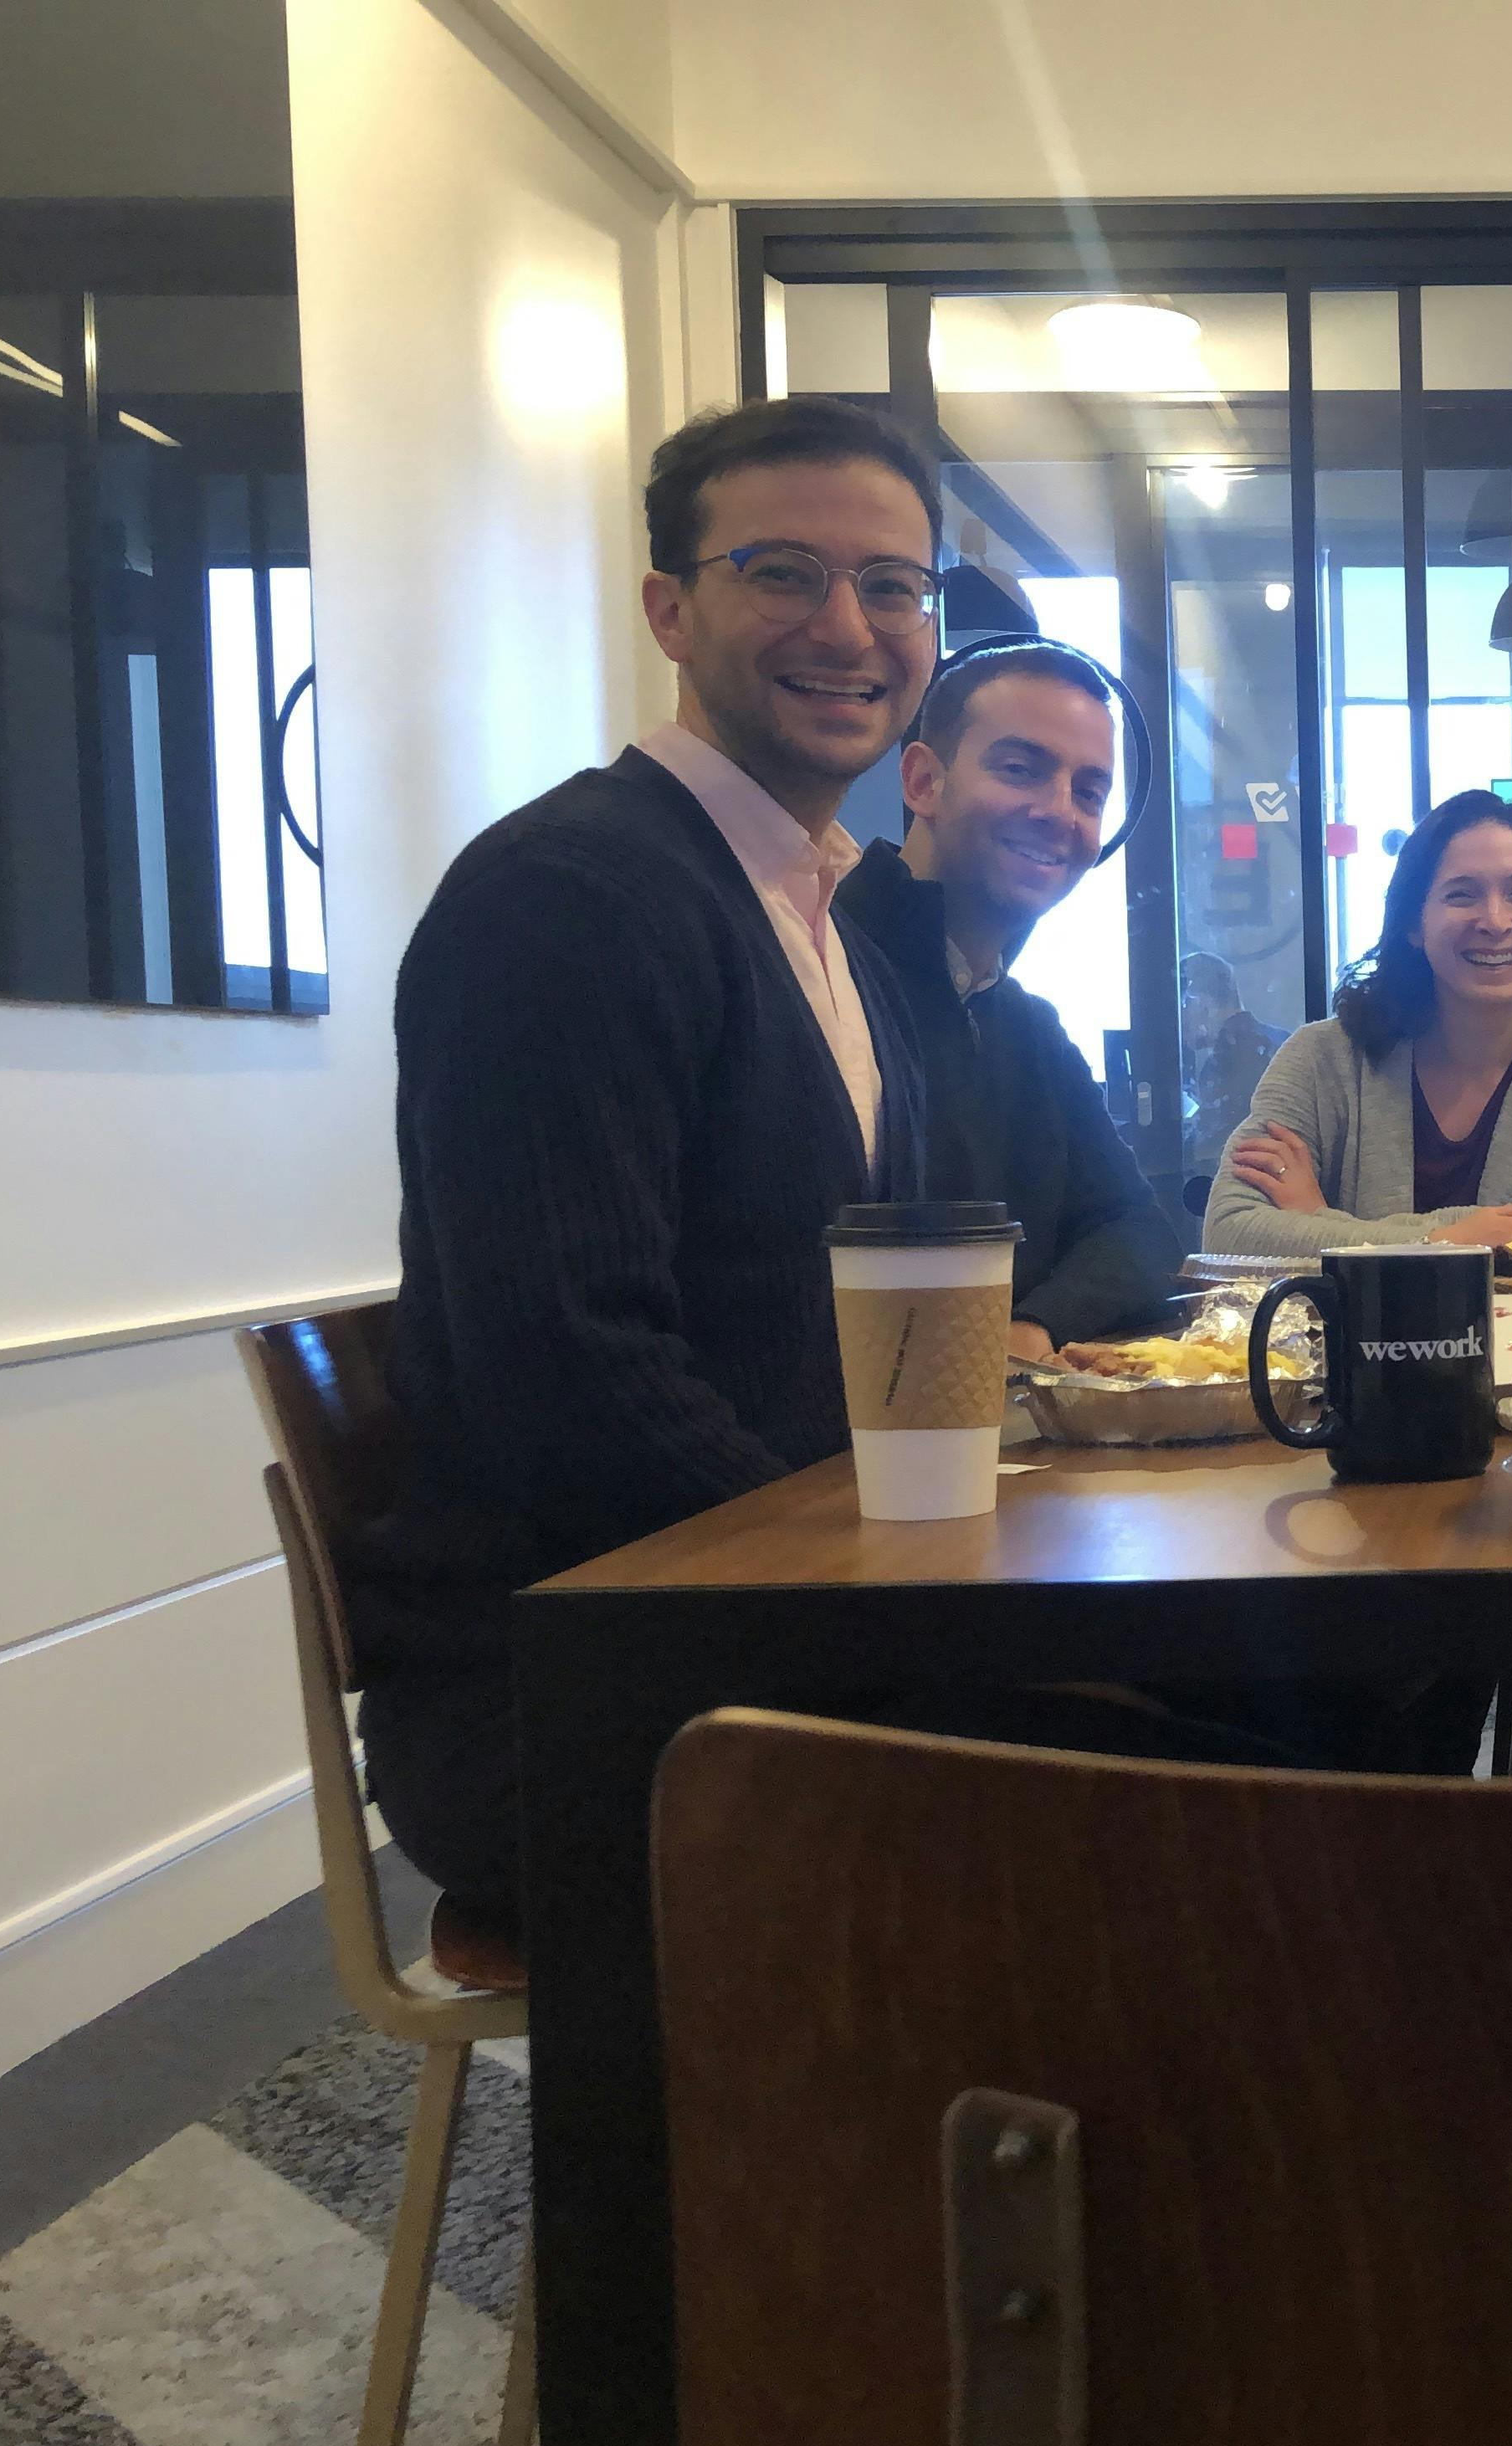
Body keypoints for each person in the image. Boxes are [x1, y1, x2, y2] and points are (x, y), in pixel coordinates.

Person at [346, 396, 941, 1922]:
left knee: (1318, 1701)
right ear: (669, 609)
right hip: (584, 1683)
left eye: (893, 585)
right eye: (784, 571)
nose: (849, 625)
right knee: (1256, 1787)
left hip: (758, 1627)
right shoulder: (568, 896)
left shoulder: (821, 924)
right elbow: (575, 1373)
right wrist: (888, 1606)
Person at [837, 637, 1180, 1352]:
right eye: (1022, 769)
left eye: (1089, 791)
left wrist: (1033, 1328)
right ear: (923, 782)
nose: (1060, 813)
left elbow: (1138, 1230)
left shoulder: (1027, 1026)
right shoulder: (820, 968)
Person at [1204, 788, 1512, 1254]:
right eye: (1461, 895)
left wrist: (1317, 1222)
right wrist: (1445, 1240)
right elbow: (1229, 1232)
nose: (1495, 921)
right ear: (1412, 924)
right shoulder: (1320, 1059)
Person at [1180, 951, 1278, 1198]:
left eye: (1182, 1007)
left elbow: (1213, 1148)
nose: (1179, 1021)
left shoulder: (1228, 1059)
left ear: (1203, 1004)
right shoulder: (1280, 1040)